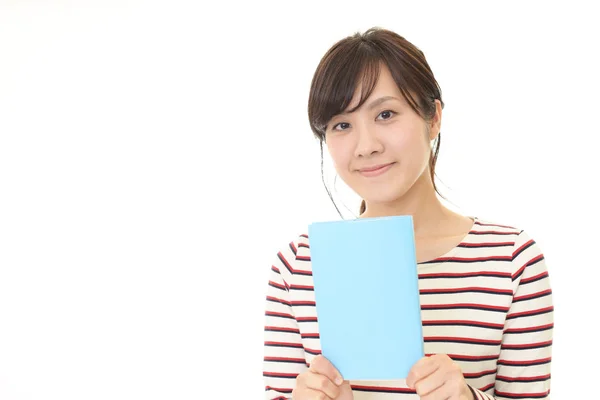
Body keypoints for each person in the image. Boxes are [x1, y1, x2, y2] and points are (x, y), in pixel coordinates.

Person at [263, 27, 553, 400]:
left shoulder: (512, 261)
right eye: (342, 125)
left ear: (433, 117)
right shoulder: (298, 266)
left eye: (385, 114)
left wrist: (468, 397)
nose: (366, 146)